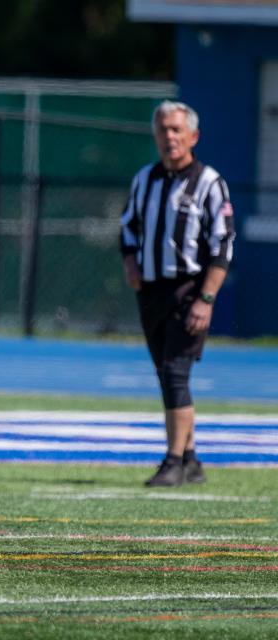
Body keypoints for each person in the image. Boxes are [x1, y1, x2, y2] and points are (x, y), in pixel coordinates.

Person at [120, 100, 236, 487]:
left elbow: (222, 245)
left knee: (175, 373)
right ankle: (191, 457)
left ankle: (173, 461)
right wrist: (131, 263)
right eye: (163, 130)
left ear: (193, 136)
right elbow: (128, 228)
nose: (169, 137)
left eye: (176, 130)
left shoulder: (209, 183)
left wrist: (206, 298)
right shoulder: (144, 179)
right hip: (152, 290)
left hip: (189, 288)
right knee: (166, 374)